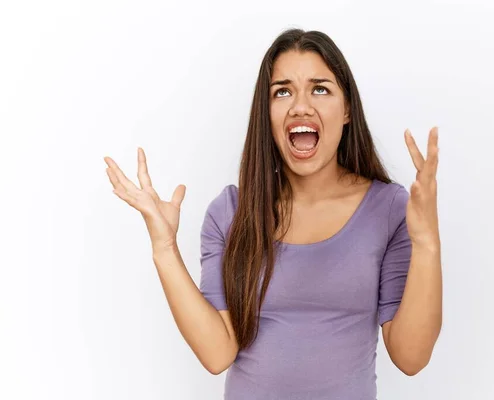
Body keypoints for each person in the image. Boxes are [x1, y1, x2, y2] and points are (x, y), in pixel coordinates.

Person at [104, 28, 442, 400]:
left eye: (320, 88)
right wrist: (164, 248)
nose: (300, 105)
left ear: (347, 110)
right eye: (282, 91)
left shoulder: (388, 209)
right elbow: (218, 354)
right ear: (267, 114)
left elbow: (411, 357)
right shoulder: (230, 213)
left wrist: (426, 242)